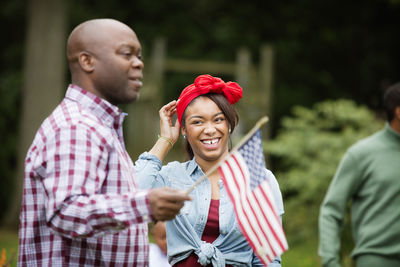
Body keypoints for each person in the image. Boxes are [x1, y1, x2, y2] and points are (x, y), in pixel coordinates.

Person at [18, 18, 191, 266]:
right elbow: (66, 210)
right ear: (87, 61)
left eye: (139, 56)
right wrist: (145, 203)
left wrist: (164, 141)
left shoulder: (97, 126)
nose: (139, 63)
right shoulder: (77, 126)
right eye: (127, 54)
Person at [135, 74, 284, 266]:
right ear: (184, 130)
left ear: (229, 124)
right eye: (197, 122)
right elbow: (131, 194)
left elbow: (268, 258)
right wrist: (165, 141)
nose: (210, 129)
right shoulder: (171, 177)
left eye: (218, 120)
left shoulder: (259, 178)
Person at [318, 82, 400, 267]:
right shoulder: (362, 154)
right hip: (376, 260)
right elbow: (331, 210)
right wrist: (330, 261)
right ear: (398, 112)